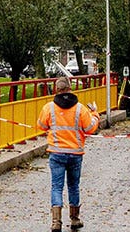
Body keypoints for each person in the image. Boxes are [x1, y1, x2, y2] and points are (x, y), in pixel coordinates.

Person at [37, 76, 100, 231]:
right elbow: (90, 128)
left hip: (56, 153)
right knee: (73, 186)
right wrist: (95, 115)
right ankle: (75, 219)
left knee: (56, 187)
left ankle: (56, 222)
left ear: (56, 90)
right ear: (70, 89)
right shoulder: (80, 109)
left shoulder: (49, 108)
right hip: (75, 153)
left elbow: (41, 125)